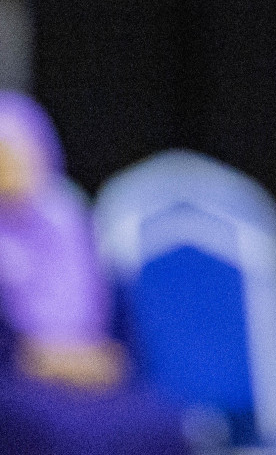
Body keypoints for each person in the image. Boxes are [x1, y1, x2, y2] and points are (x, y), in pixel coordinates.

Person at [0, 91, 188, 455]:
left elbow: (122, 323)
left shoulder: (70, 222)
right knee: (59, 432)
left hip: (87, 375)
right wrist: (40, 360)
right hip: (15, 380)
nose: (15, 164)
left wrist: (106, 358)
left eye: (22, 150)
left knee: (163, 421)